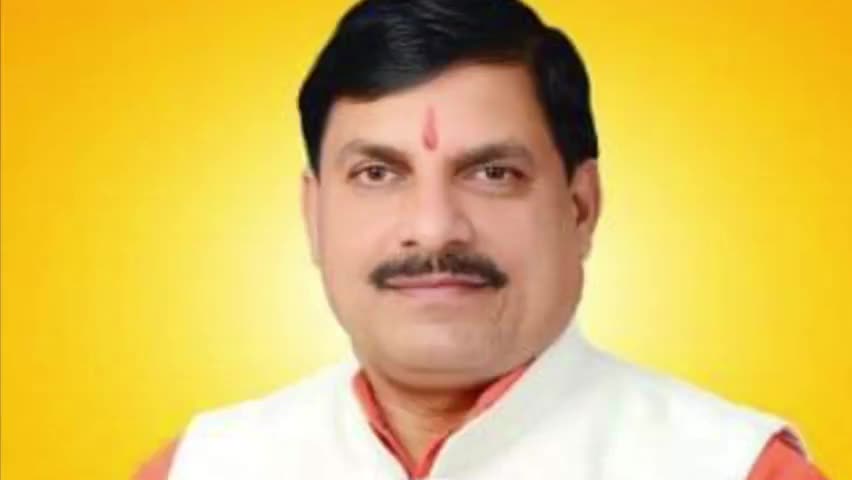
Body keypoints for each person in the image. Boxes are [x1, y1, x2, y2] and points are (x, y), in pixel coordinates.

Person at [136, 1, 827, 478]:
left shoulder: (732, 468)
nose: (435, 227)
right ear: (314, 215)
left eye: (493, 173)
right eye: (377, 173)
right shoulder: (202, 468)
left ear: (580, 207)